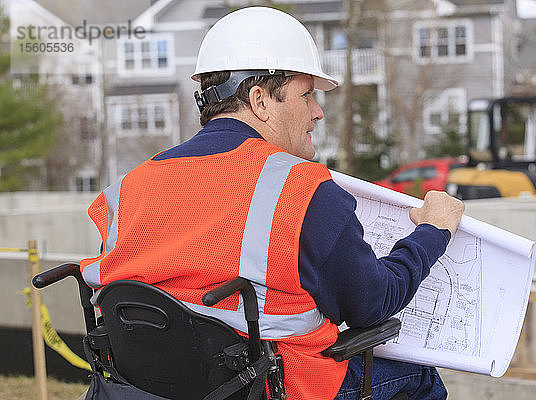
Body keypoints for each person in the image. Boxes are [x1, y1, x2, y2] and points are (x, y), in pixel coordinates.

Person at [80, 6, 464, 400]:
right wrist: (432, 232)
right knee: (417, 376)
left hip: (150, 387)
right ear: (260, 100)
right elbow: (373, 303)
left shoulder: (127, 188)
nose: (318, 112)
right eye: (307, 94)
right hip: (278, 386)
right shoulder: (304, 191)